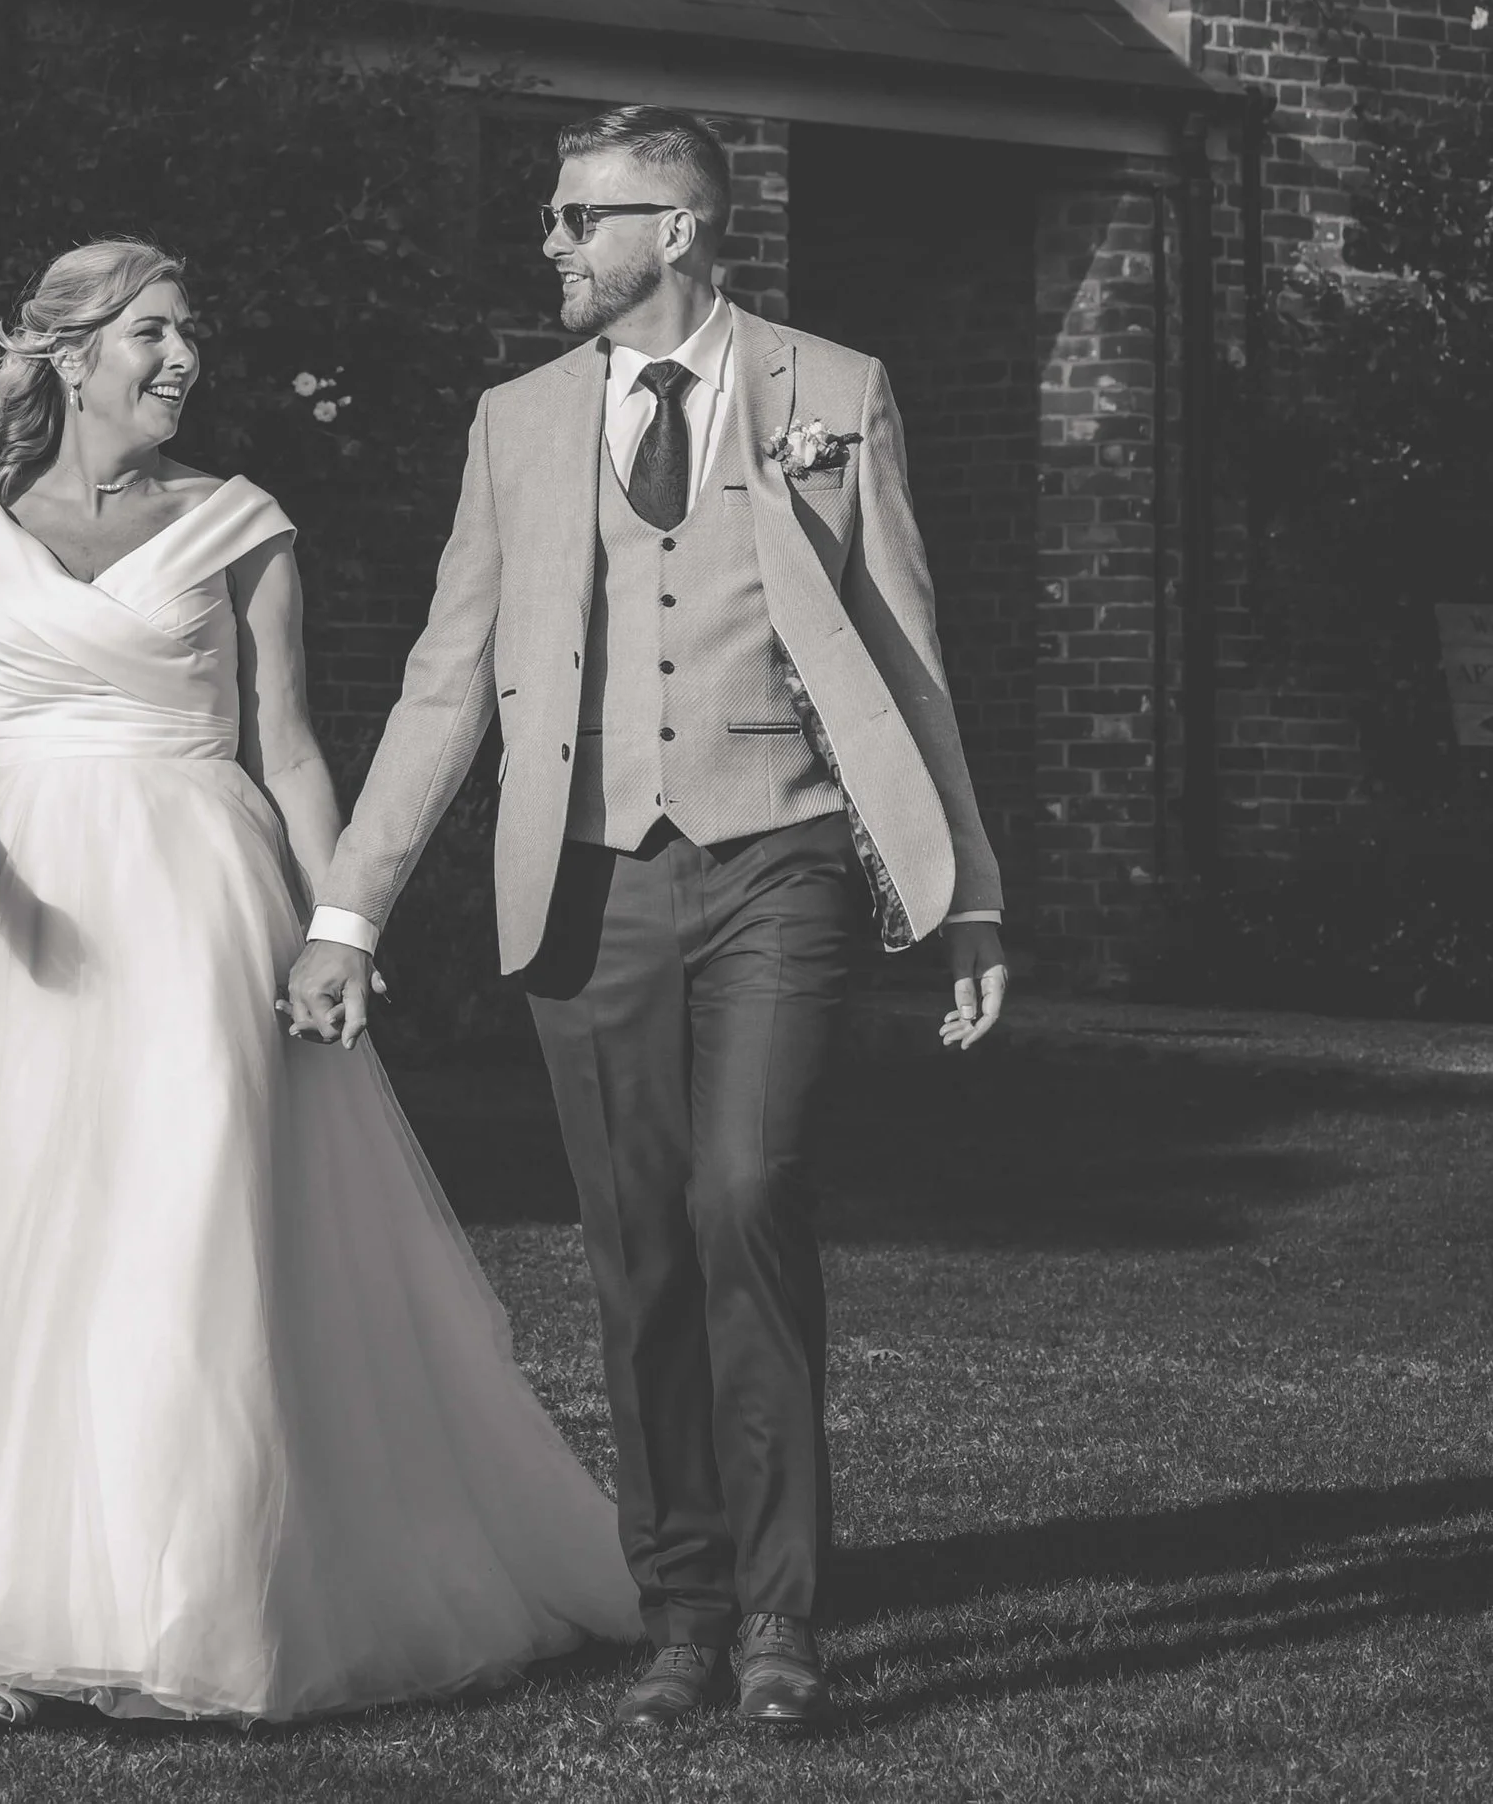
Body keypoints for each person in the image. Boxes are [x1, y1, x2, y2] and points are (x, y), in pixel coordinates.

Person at [0, 235, 641, 1726]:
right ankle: (2, 1593)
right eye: (151, 332)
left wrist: (341, 917)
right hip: (15, 907)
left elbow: (286, 741)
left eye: (190, 334)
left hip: (199, 893)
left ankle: (194, 1597)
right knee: (16, 1223)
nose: (181, 359)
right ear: (70, 354)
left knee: (190, 1215)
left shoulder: (240, 522)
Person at [284, 111, 1008, 1734]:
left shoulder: (836, 390)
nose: (550, 242)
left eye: (576, 215)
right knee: (638, 1252)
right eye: (551, 215)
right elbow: (444, 674)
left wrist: (969, 891)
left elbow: (907, 652)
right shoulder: (517, 421)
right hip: (589, 876)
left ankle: (780, 1611)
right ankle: (681, 1605)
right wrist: (349, 906)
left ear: (675, 226)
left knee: (748, 1189)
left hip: (783, 856)